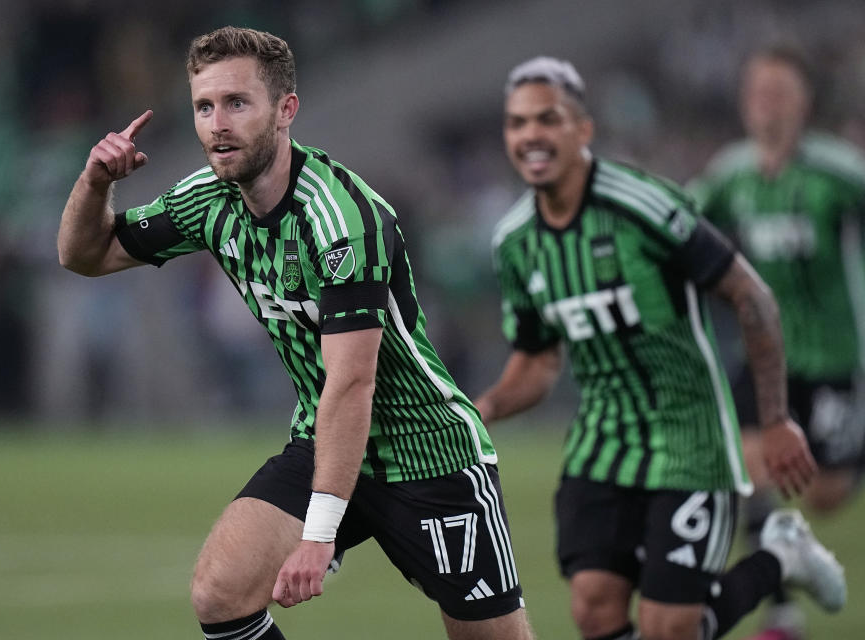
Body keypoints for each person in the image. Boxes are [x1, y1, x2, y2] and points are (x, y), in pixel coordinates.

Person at [57, 26, 535, 640]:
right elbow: (84, 255)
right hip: (325, 440)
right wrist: (98, 181)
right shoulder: (206, 199)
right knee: (220, 592)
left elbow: (353, 379)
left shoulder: (341, 221)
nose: (217, 123)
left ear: (286, 111)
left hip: (427, 453)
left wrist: (318, 535)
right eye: (204, 106)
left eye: (237, 103)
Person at [473, 56, 846, 640]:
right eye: (517, 123)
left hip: (688, 435)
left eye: (547, 119)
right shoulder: (514, 241)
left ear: (582, 130)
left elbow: (752, 300)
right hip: (603, 439)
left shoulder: (641, 206)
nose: (531, 136)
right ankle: (779, 557)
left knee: (669, 627)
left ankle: (781, 557)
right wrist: (486, 408)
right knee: (593, 608)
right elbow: (540, 358)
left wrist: (774, 421)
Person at [690, 44, 865, 640]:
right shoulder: (731, 173)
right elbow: (681, 223)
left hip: (838, 359)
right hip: (766, 358)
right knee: (747, 471)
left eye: (777, 91)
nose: (763, 102)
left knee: (825, 495)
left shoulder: (837, 174)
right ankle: (783, 606)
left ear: (803, 102)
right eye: (755, 90)